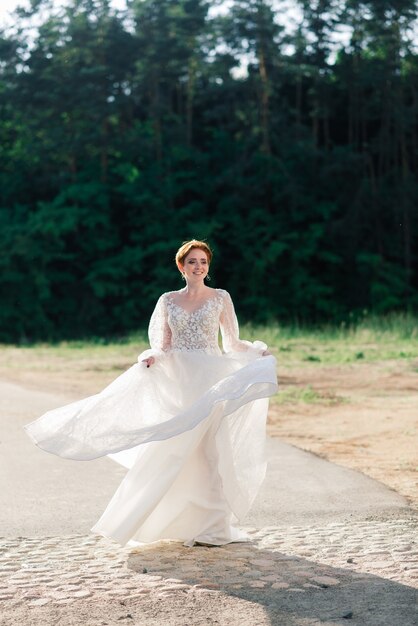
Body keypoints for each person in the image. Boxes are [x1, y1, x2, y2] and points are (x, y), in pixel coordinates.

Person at [24, 240, 278, 547]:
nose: (199, 267)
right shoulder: (168, 300)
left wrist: (257, 352)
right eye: (192, 262)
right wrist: (152, 357)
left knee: (209, 451)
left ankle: (213, 528)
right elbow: (164, 344)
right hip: (178, 381)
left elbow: (232, 343)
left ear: (208, 267)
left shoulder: (220, 298)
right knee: (172, 450)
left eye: (203, 262)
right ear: (182, 267)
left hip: (210, 382)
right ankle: (159, 523)